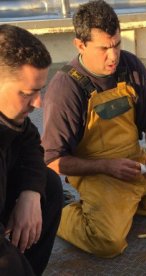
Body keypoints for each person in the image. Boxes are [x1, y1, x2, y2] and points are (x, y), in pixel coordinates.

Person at [41, 0, 146, 257]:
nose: (113, 56)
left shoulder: (130, 66)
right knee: (107, 244)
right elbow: (52, 160)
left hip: (137, 163)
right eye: (104, 48)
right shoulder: (66, 88)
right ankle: (63, 214)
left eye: (117, 44)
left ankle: (125, 205)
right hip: (98, 173)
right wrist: (107, 167)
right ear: (80, 44)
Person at [0, 24, 63, 275]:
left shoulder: (9, 116)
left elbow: (31, 144)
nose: (39, 103)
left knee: (48, 183)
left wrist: (30, 193)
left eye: (40, 90)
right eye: (28, 93)